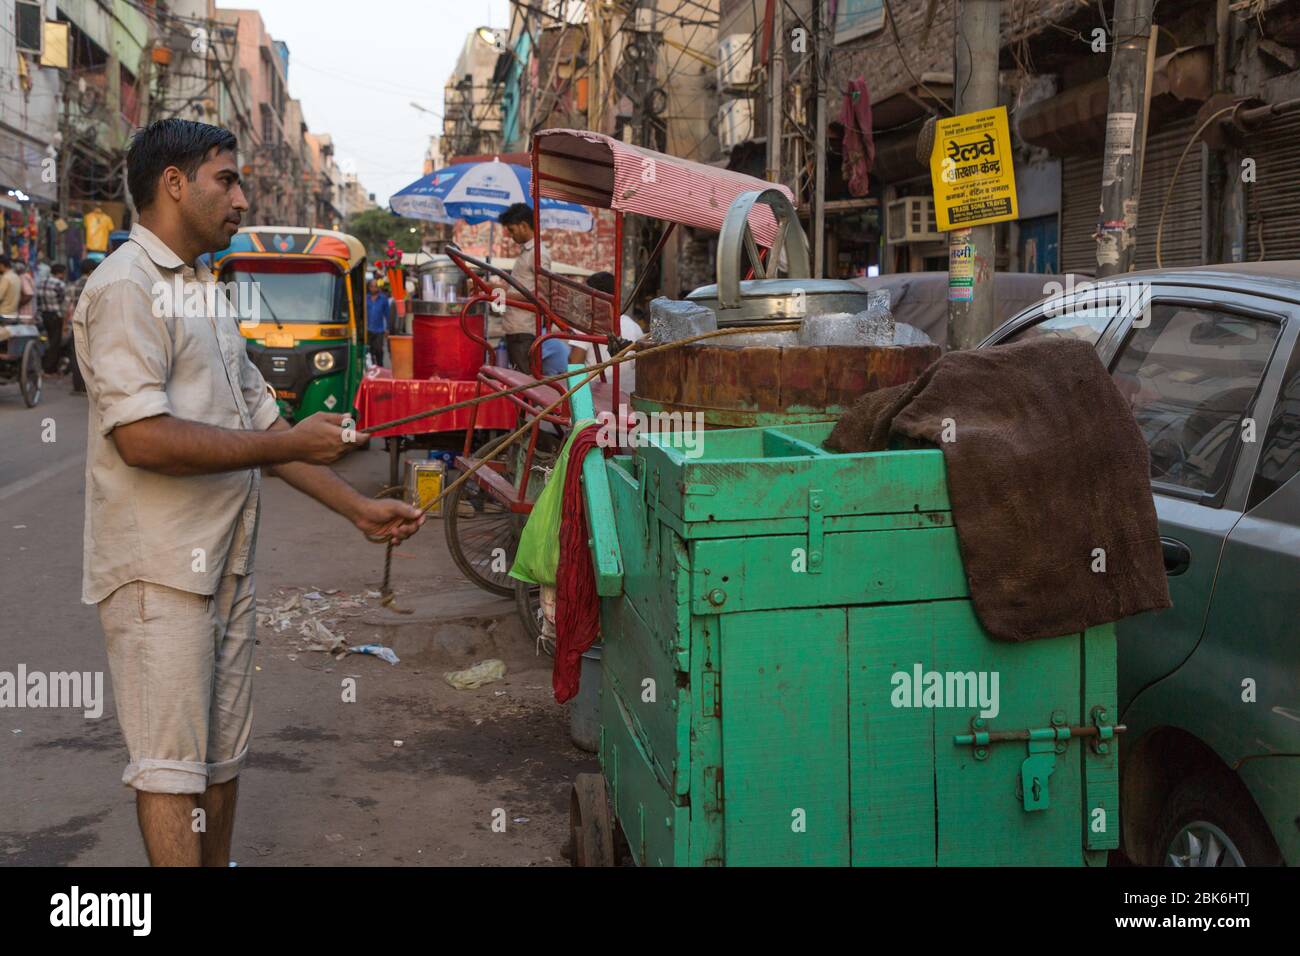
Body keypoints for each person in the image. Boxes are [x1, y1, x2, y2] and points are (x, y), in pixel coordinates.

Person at [71, 119, 424, 867]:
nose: (240, 198)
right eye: (226, 180)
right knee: (171, 770)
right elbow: (143, 439)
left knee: (220, 764)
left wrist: (358, 508)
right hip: (158, 574)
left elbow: (262, 422)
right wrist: (289, 442)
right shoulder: (125, 288)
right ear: (175, 184)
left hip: (223, 568)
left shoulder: (203, 291)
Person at [492, 202, 550, 373]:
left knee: (526, 382)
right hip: (515, 328)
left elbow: (540, 295)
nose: (511, 235)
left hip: (524, 331)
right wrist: (495, 288)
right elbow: (522, 288)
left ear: (524, 226)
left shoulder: (538, 254)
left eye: (512, 230)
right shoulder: (527, 252)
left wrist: (504, 294)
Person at [567, 271, 644, 393]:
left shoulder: (587, 324)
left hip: (595, 396)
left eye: (586, 296)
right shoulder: (634, 326)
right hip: (626, 397)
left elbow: (574, 366)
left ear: (596, 299)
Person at [66, 257, 98, 393]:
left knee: (77, 355)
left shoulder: (72, 285)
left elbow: (68, 307)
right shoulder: (97, 283)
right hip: (94, 323)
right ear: (92, 270)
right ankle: (91, 387)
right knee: (94, 355)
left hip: (77, 323)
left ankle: (78, 386)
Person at [36, 263, 68, 374]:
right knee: (55, 343)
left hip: (43, 315)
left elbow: (38, 300)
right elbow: (63, 301)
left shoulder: (41, 282)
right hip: (55, 315)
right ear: (60, 273)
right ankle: (50, 369)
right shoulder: (60, 284)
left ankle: (43, 364)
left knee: (46, 340)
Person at [364, 278, 389, 367]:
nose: (373, 288)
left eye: (375, 287)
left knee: (378, 350)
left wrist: (387, 329)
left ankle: (380, 367)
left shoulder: (383, 299)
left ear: (378, 287)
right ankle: (371, 368)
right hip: (367, 329)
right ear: (369, 287)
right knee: (369, 351)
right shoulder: (365, 298)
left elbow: (387, 314)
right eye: (372, 286)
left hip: (379, 329)